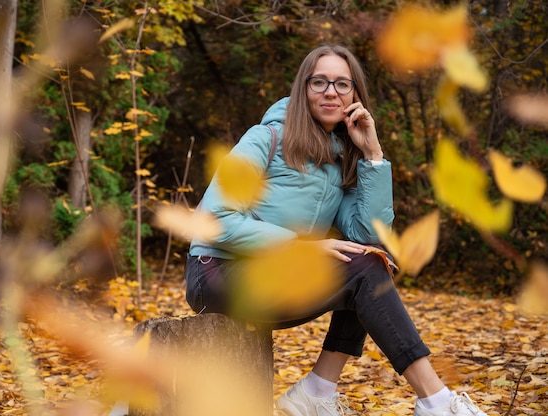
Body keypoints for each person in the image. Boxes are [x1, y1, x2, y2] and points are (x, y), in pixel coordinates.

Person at [184, 45, 488, 416]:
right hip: (215, 275)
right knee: (364, 267)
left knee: (372, 258)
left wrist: (373, 157)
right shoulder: (265, 139)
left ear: (355, 95)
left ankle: (319, 388)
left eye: (342, 84)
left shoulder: (340, 158)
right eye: (320, 82)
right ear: (303, 90)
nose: (331, 92)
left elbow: (368, 233)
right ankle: (436, 400)